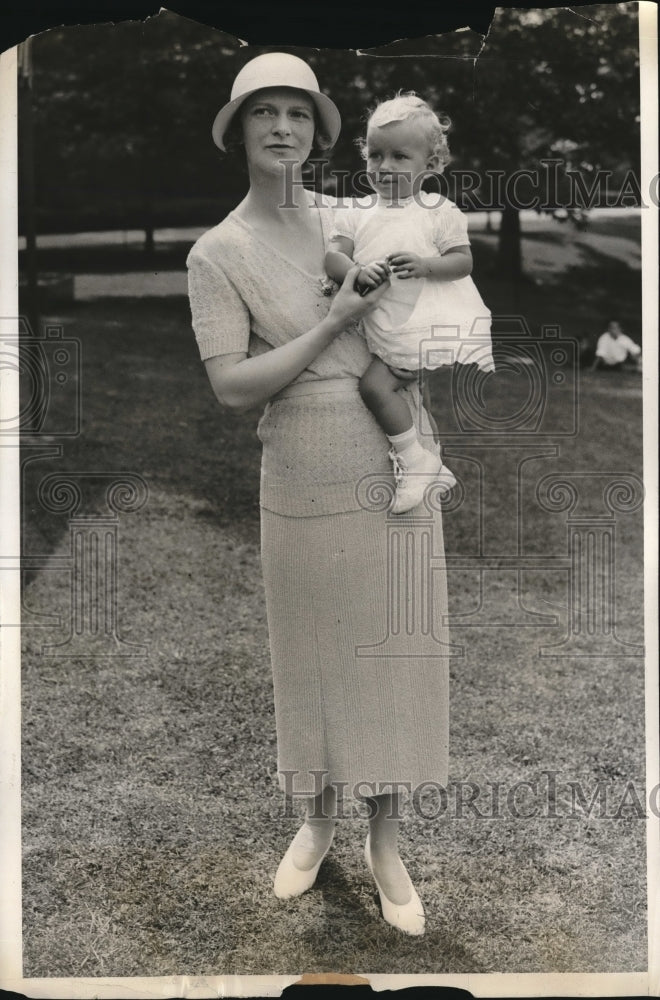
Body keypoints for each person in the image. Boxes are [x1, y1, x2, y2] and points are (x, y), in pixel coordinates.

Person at [187, 52, 452, 937]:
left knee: (392, 652)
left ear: (318, 130)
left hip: (391, 455)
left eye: (299, 114)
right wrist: (336, 322)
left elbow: (431, 281)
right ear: (240, 131)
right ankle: (315, 818)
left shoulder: (351, 215)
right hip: (299, 458)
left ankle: (385, 842)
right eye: (265, 112)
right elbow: (232, 386)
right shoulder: (216, 252)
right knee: (311, 655)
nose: (283, 129)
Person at [325, 92, 494, 514]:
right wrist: (353, 271)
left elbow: (462, 262)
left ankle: (416, 460)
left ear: (431, 165)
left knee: (374, 386)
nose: (384, 168)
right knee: (378, 385)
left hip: (420, 323)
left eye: (400, 157)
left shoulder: (438, 211)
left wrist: (424, 264)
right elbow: (332, 256)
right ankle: (423, 460)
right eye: (375, 155)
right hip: (382, 322)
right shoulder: (356, 210)